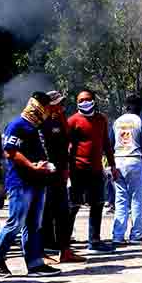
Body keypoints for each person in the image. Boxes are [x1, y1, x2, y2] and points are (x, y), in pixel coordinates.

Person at [0, 92, 60, 277]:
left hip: (38, 181)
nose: (50, 110)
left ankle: (35, 264)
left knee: (34, 225)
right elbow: (10, 152)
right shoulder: (17, 125)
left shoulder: (37, 126)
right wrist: (31, 165)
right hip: (20, 183)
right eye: (48, 106)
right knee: (15, 223)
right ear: (39, 107)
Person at [67, 89, 119, 253]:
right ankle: (64, 242)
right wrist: (67, 170)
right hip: (77, 170)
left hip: (97, 170)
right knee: (73, 205)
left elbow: (106, 145)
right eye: (81, 100)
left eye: (87, 99)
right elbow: (66, 147)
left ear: (93, 101)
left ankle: (94, 241)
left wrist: (112, 165)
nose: (84, 102)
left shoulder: (101, 119)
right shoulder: (72, 121)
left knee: (97, 204)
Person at [41, 91, 82, 262]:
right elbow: (44, 149)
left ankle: (65, 250)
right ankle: (42, 252)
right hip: (48, 173)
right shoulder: (43, 122)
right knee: (45, 213)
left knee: (63, 212)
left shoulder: (60, 120)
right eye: (58, 103)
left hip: (61, 173)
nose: (62, 106)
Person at [111, 95, 142, 246]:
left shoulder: (116, 122)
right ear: (140, 106)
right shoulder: (140, 121)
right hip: (135, 161)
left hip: (118, 160)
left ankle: (117, 236)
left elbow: (110, 143)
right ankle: (137, 234)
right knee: (137, 199)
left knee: (120, 200)